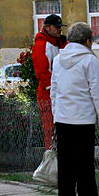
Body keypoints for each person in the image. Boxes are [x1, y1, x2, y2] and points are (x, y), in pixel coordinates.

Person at [50, 22, 99, 196]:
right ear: (87, 41)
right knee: (85, 165)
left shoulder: (58, 60)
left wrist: (55, 114)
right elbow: (98, 93)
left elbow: (54, 91)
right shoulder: (90, 61)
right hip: (83, 119)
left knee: (66, 165)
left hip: (63, 119)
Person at [32, 13, 67, 149]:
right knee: (50, 128)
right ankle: (51, 157)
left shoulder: (57, 43)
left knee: (59, 127)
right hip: (48, 94)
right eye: (56, 27)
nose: (60, 29)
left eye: (60, 27)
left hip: (57, 92)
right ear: (47, 28)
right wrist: (54, 90)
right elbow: (42, 72)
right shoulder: (42, 45)